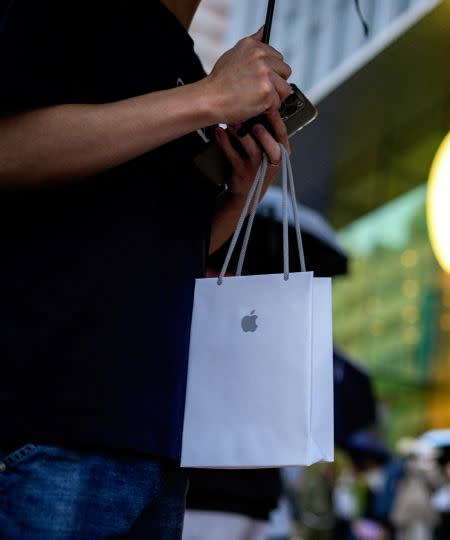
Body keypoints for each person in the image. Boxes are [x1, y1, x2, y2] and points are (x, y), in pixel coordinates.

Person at [0, 0, 293, 537]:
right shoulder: (66, 12)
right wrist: (207, 98)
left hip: (155, 443)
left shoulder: (177, 54)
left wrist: (237, 200)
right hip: (51, 427)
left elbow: (154, 252)